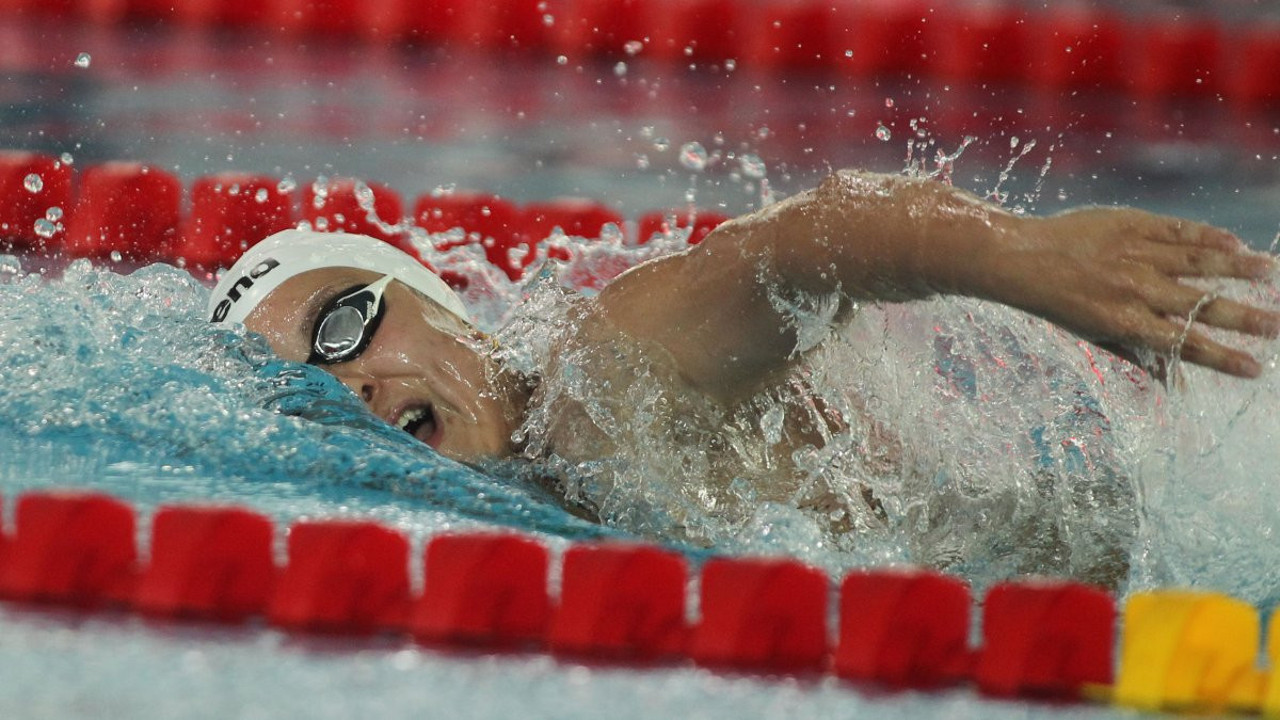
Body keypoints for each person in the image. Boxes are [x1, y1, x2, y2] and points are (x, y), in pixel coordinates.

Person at [209, 170, 1279, 582]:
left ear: (443, 305)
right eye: (298, 392)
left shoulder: (602, 374)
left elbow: (810, 242)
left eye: (342, 325)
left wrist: (1028, 259)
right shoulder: (518, 507)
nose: (342, 389)